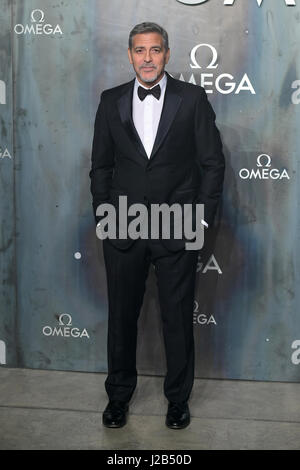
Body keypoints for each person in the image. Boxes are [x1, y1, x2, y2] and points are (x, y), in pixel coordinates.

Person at [89, 22, 225, 429]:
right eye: (139, 50)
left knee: (178, 319)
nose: (147, 58)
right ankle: (118, 398)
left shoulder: (193, 99)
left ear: (167, 54)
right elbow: (100, 166)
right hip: (123, 227)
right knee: (120, 319)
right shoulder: (110, 100)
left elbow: (212, 164)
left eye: (155, 50)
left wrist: (199, 219)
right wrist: (104, 215)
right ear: (129, 54)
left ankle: (177, 401)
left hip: (178, 225)